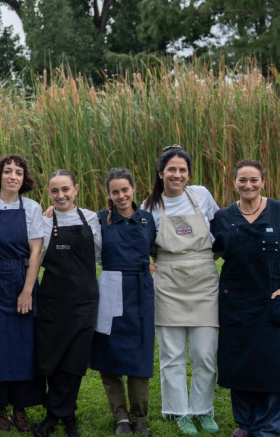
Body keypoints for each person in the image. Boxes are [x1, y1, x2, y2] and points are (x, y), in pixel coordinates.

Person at [210, 159, 280, 437]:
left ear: (263, 181)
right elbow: (206, 255)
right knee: (240, 363)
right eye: (242, 180)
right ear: (234, 183)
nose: (248, 185)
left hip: (274, 298)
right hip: (235, 303)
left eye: (253, 180)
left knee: (275, 364)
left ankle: (267, 427)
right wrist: (161, 261)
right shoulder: (223, 217)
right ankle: (246, 423)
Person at [140, 145, 221, 435]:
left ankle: (203, 408)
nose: (177, 174)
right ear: (161, 173)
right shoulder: (148, 207)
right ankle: (179, 411)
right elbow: (140, 243)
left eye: (182, 170)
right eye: (171, 169)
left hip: (203, 282)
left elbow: (221, 230)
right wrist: (148, 264)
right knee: (171, 355)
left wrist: (207, 260)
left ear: (189, 173)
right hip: (168, 282)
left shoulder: (201, 195)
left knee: (204, 353)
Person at [0, 155, 47, 433]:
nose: (13, 176)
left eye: (18, 172)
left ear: (24, 178)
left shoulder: (31, 208)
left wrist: (27, 291)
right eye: (8, 171)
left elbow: (36, 251)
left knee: (23, 348)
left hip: (20, 281)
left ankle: (20, 408)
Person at [89, 168, 158, 436]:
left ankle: (139, 417)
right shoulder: (99, 219)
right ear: (109, 193)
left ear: (133, 189)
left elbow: (154, 250)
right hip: (110, 289)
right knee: (110, 353)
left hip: (141, 291)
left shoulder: (146, 220)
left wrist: (150, 266)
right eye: (115, 191)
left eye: (124, 190)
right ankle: (120, 417)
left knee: (140, 353)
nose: (120, 196)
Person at [34, 170, 101, 437]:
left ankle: (59, 414)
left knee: (74, 361)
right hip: (52, 300)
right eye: (54, 191)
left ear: (76, 189)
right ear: (48, 194)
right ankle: (63, 413)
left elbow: (100, 255)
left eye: (65, 189)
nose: (60, 195)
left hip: (84, 300)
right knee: (52, 358)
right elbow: (35, 261)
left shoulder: (92, 219)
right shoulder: (42, 222)